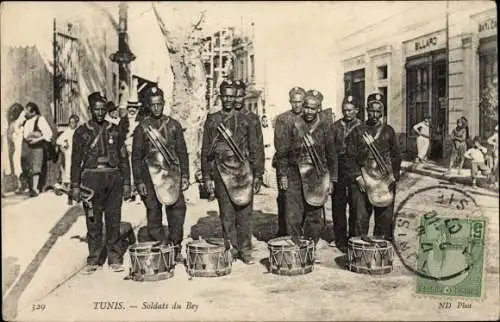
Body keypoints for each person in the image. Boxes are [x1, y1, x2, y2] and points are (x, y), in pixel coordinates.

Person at [200, 80, 264, 264]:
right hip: (221, 170)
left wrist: (258, 174)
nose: (228, 99)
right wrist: (206, 176)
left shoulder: (246, 120)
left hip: (243, 170)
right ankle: (231, 248)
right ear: (220, 96)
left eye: (231, 95)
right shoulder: (212, 120)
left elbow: (255, 148)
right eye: (225, 96)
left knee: (244, 212)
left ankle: (245, 249)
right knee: (226, 213)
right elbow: (205, 150)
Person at [70, 92, 131, 274]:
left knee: (113, 219)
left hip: (113, 178)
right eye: (96, 109)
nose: (99, 112)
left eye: (103, 109)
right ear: (90, 110)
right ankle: (94, 258)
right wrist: (74, 185)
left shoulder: (114, 130)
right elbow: (75, 160)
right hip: (90, 180)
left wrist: (127, 182)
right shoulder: (81, 132)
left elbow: (123, 158)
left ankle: (114, 257)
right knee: (93, 220)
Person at [132, 86, 190, 262]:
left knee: (177, 211)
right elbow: (136, 157)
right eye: (153, 105)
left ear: (164, 104)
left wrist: (185, 175)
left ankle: (175, 246)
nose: (157, 108)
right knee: (153, 212)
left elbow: (182, 152)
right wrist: (139, 181)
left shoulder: (174, 125)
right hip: (149, 176)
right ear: (148, 106)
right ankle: (162, 245)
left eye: (159, 104)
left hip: (171, 175)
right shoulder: (142, 128)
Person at [278, 89, 337, 250]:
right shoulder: (293, 124)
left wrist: (332, 179)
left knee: (314, 214)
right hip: (294, 173)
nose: (309, 111)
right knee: (293, 213)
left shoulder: (325, 126)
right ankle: (295, 246)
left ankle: (310, 246)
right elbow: (282, 153)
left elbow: (332, 155)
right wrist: (282, 174)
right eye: (306, 107)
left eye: (313, 108)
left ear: (319, 108)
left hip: (316, 174)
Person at [352, 93, 401, 241]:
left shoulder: (389, 131)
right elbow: (349, 156)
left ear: (382, 112)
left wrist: (394, 176)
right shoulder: (358, 130)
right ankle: (360, 251)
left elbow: (396, 156)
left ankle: (381, 249)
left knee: (385, 216)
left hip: (384, 178)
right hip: (364, 177)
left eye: (378, 111)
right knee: (360, 217)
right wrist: (357, 176)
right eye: (371, 110)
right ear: (367, 110)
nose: (374, 114)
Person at [329, 94, 363, 252]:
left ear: (356, 110)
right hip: (339, 169)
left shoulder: (362, 127)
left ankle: (354, 237)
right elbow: (329, 151)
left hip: (356, 170)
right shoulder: (335, 127)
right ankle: (340, 238)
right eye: (345, 110)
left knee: (356, 205)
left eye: (350, 110)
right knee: (338, 205)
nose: (347, 113)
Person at [273, 86, 306, 237]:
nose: (297, 105)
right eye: (294, 101)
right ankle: (284, 233)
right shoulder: (283, 119)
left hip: (306, 168)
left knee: (305, 201)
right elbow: (281, 150)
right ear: (290, 101)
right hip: (288, 166)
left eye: (300, 101)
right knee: (285, 200)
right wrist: (282, 174)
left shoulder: (310, 117)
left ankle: (300, 234)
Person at [234, 80, 265, 194]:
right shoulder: (222, 118)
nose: (237, 100)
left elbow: (258, 148)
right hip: (227, 169)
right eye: (235, 96)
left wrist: (258, 174)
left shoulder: (252, 118)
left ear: (244, 96)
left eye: (240, 96)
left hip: (247, 168)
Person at [22, 102, 53, 197]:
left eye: (27, 111)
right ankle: (30, 187)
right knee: (27, 166)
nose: (25, 113)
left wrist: (36, 139)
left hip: (37, 147)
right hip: (27, 146)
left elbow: (48, 134)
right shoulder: (26, 121)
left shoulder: (40, 119)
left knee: (36, 167)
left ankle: (35, 189)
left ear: (33, 112)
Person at [56, 114, 80, 205]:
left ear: (76, 123)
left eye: (73, 122)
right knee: (69, 176)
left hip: (78, 155)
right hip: (69, 155)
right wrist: (63, 145)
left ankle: (77, 197)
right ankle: (70, 198)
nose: (71, 124)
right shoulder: (68, 131)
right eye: (70, 123)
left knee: (77, 176)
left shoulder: (79, 131)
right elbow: (59, 140)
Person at [5, 104, 26, 194]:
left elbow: (9, 137)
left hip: (19, 148)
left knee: (19, 167)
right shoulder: (17, 124)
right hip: (20, 148)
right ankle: (21, 185)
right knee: (19, 167)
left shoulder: (14, 124)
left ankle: (20, 186)